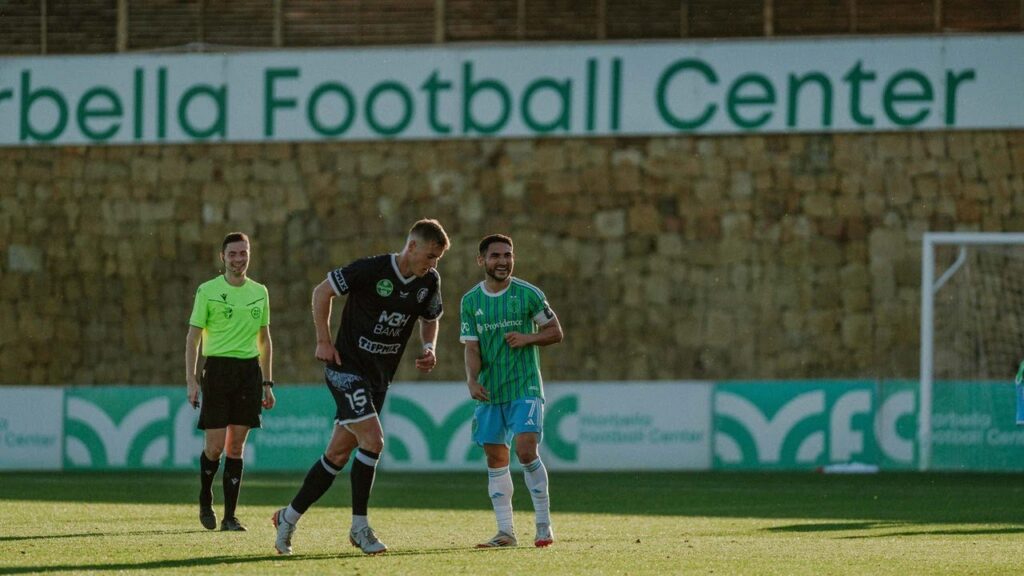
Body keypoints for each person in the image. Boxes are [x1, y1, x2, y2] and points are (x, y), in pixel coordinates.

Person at [272, 219, 450, 555]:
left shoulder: (429, 282)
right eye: (430, 255)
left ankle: (287, 517)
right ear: (411, 246)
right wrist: (323, 341)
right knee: (374, 440)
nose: (433, 264)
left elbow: (431, 318)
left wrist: (429, 347)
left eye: (437, 258)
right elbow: (321, 291)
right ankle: (359, 527)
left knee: (337, 454)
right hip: (345, 369)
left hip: (378, 379)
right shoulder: (371, 270)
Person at [460, 233, 563, 548]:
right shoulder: (470, 301)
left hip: (525, 386)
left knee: (525, 449)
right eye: (495, 256)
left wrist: (527, 338)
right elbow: (472, 347)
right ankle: (505, 532)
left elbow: (555, 331)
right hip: (491, 390)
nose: (503, 261)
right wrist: (472, 380)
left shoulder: (528, 294)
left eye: (508, 255)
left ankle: (543, 526)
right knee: (495, 455)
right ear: (482, 261)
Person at [185, 232, 276, 532]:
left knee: (235, 447)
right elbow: (193, 338)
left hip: (248, 373)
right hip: (218, 372)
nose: (239, 259)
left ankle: (230, 517)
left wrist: (267, 383)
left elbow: (264, 339)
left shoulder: (260, 292)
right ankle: (205, 496)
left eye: (243, 253)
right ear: (222, 257)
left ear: (249, 254)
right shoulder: (207, 291)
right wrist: (192, 379)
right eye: (233, 254)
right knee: (215, 448)